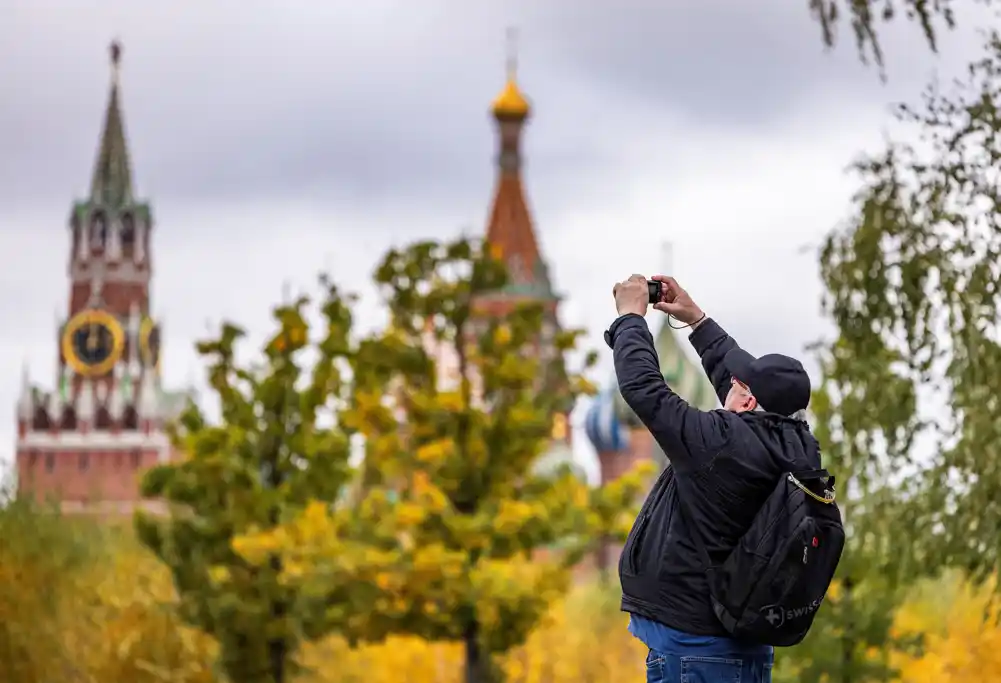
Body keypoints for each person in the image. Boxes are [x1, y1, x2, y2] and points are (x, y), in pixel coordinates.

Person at [606, 274, 820, 683]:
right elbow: (736, 378)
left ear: (749, 399)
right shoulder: (797, 446)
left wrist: (629, 319)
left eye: (737, 386)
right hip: (745, 647)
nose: (729, 384)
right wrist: (695, 319)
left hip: (695, 653)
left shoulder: (720, 444)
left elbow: (645, 390)